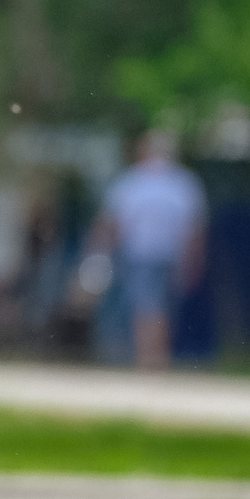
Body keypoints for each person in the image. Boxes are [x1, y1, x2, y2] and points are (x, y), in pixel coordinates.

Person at [92, 130, 207, 370]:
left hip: (140, 255)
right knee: (161, 308)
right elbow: (194, 230)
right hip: (169, 255)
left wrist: (99, 252)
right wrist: (194, 261)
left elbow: (113, 223)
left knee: (145, 307)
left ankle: (147, 360)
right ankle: (157, 359)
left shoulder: (133, 182)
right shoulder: (182, 183)